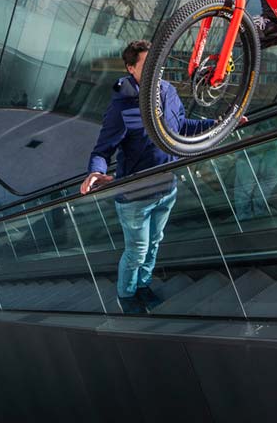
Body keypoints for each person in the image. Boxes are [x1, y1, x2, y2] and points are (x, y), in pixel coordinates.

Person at [79, 39, 213, 314]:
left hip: (166, 189)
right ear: (131, 68)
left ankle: (143, 285)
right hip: (135, 197)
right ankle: (126, 295)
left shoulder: (169, 91)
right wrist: (96, 171)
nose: (157, 68)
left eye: (158, 61)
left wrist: (218, 124)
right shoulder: (122, 107)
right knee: (137, 251)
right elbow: (103, 149)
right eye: (148, 64)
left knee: (154, 244)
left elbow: (182, 127)